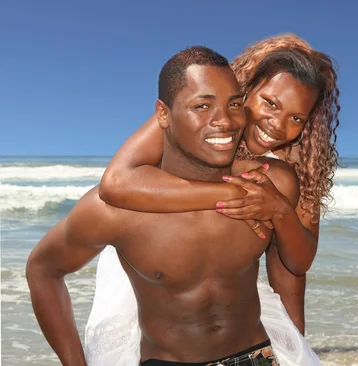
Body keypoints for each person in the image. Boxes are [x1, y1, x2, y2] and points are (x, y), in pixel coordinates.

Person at [27, 46, 302, 365]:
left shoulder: (269, 186)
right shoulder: (116, 210)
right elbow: (42, 269)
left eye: (234, 104)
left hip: (255, 356)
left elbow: (292, 267)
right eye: (202, 106)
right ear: (163, 115)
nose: (224, 121)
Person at [94, 34, 339, 344]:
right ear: (244, 89)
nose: (277, 125)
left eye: (296, 118)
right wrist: (231, 194)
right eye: (270, 103)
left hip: (216, 293)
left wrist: (296, 346)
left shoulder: (293, 164)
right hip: (146, 276)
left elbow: (296, 264)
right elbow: (116, 183)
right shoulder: (197, 113)